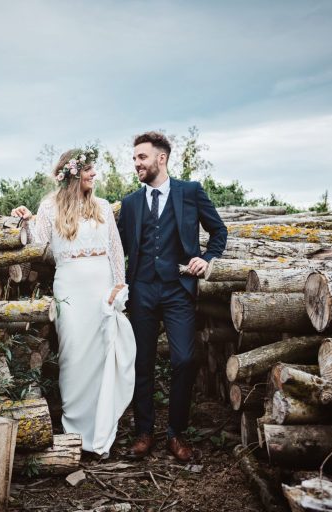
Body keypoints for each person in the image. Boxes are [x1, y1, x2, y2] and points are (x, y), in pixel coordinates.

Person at [11, 147, 136, 457]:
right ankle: (76, 434)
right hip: (70, 290)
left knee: (102, 358)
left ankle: (103, 432)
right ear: (72, 174)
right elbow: (39, 248)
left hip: (101, 291)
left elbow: (115, 250)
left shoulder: (103, 207)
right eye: (88, 169)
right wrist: (26, 222)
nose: (94, 174)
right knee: (74, 359)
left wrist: (119, 285)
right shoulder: (49, 207)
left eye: (93, 169)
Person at [117, 131, 227, 462]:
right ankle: (144, 433)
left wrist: (206, 259)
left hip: (179, 289)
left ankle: (176, 434)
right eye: (135, 158)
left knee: (184, 360)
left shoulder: (190, 192)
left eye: (141, 157)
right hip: (142, 291)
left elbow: (218, 231)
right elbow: (117, 247)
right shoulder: (131, 203)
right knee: (142, 363)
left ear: (160, 159)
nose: (136, 163)